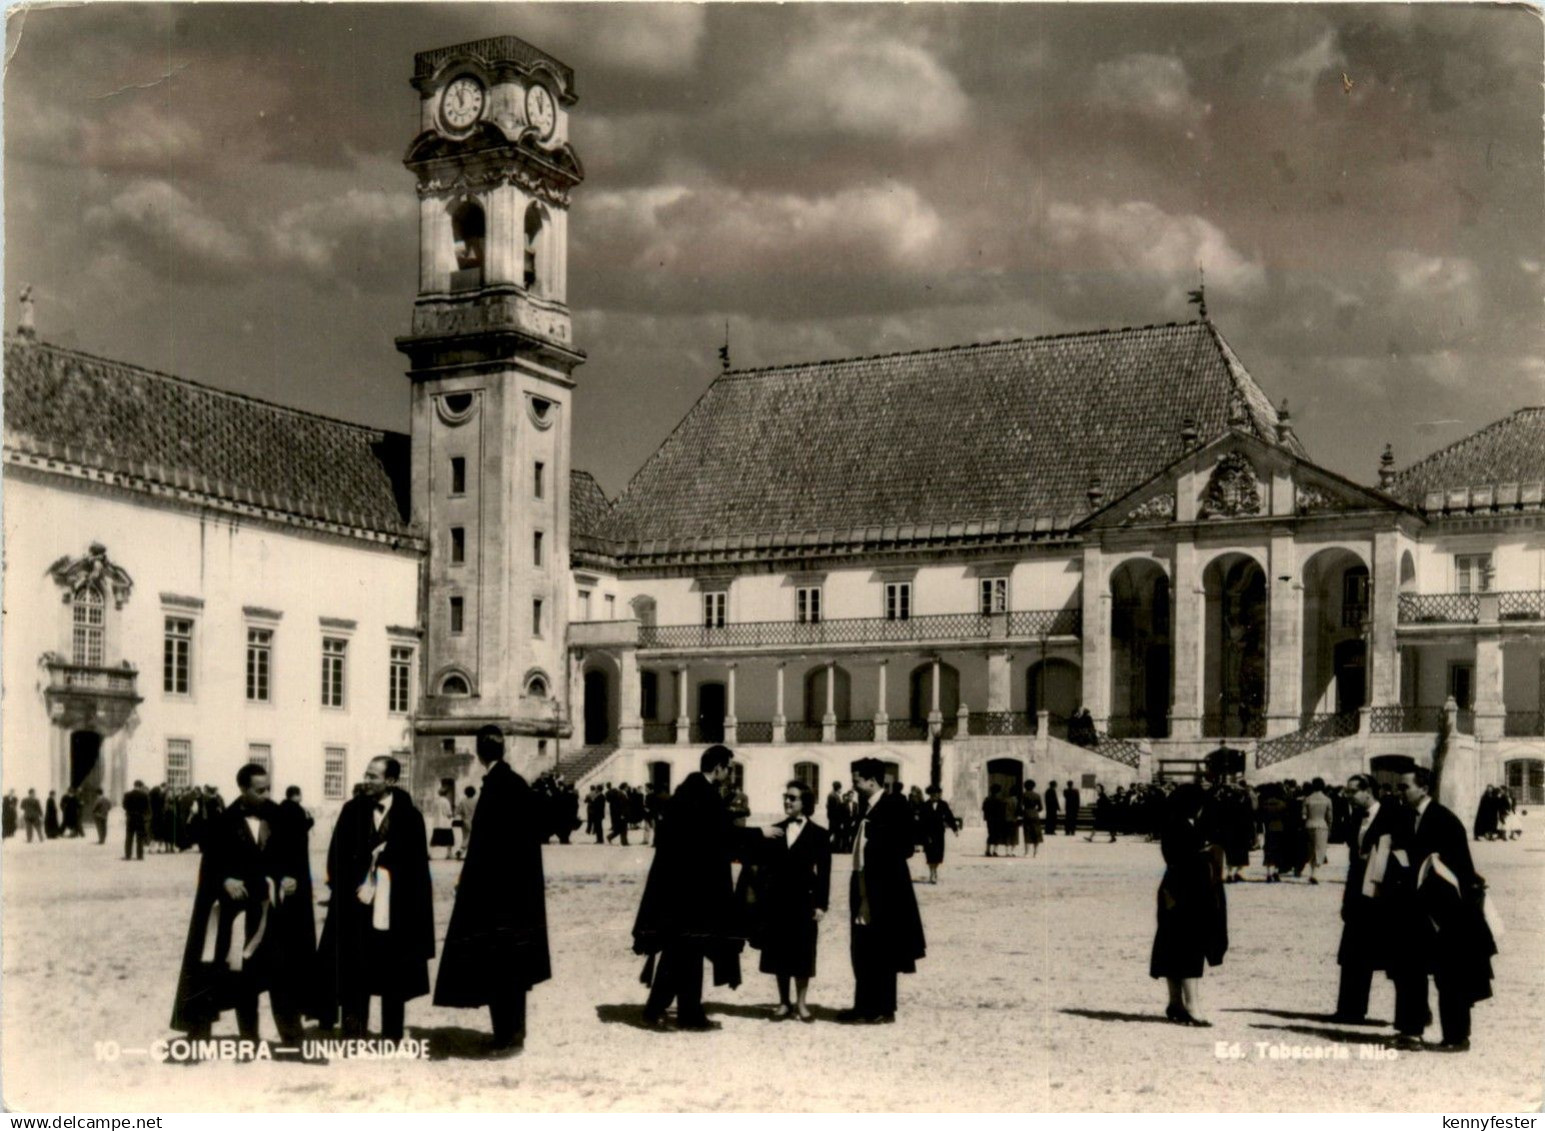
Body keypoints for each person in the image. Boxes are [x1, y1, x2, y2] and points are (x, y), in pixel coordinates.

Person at [170, 764, 313, 1044]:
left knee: (282, 977)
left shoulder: (280, 817)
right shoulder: (223, 822)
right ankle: (249, 1040)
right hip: (240, 917)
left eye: (269, 787)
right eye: (260, 790)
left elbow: (292, 858)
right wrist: (225, 881)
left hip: (273, 914)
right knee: (243, 980)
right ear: (243, 789)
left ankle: (294, 1040)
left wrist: (290, 879)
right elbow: (211, 866)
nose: (267, 794)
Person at [435, 726, 552, 1052]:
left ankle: (507, 1038)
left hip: (496, 895)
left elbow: (484, 847)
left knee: (500, 968)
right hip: (518, 893)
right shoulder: (516, 784)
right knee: (512, 969)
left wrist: (468, 882)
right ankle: (515, 1034)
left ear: (479, 752)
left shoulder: (495, 788)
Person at [314, 755, 435, 1041]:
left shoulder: (410, 817)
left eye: (373, 776)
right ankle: (353, 1033)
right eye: (366, 775)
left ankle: (392, 1035)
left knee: (393, 970)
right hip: (356, 906)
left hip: (395, 910)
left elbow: (418, 868)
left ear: (390, 781)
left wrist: (386, 880)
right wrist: (351, 887)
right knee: (354, 969)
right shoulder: (351, 811)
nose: (366, 781)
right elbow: (336, 857)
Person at [633, 744, 748, 1030]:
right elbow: (723, 834)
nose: (729, 773)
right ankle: (656, 1011)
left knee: (689, 952)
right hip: (691, 892)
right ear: (718, 767)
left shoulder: (690, 791)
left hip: (681, 888)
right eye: (729, 768)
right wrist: (761, 835)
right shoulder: (703, 795)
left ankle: (689, 1013)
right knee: (680, 953)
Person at [1390, 766, 1497, 1052]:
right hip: (1412, 908)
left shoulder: (1444, 820)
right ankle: (1411, 1031)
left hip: (1445, 912)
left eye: (1404, 787)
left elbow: (1460, 868)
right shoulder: (1404, 818)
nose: (1399, 792)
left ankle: (1457, 1036)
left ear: (1423, 788)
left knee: (1450, 975)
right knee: (1410, 970)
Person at [841, 758, 926, 1024]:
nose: (853, 785)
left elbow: (906, 846)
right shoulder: (865, 807)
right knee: (862, 947)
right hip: (863, 882)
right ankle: (863, 1005)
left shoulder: (894, 804)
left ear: (871, 781)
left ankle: (883, 1009)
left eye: (856, 780)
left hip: (886, 887)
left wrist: (878, 844)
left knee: (883, 948)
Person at [751, 781, 832, 1022]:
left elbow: (825, 873)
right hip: (777, 901)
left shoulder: (819, 834)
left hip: (804, 901)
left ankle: (802, 1003)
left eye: (793, 798)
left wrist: (821, 904)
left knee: (803, 951)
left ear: (805, 803)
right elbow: (760, 867)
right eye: (786, 797)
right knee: (778, 951)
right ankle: (783, 1002)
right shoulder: (774, 831)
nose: (787, 801)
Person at [1150, 785, 1228, 1027]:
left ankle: (1176, 1002)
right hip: (1188, 890)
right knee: (1190, 945)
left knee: (1172, 944)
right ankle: (1192, 1006)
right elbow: (1182, 857)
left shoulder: (1175, 822)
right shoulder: (1181, 825)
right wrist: (1207, 852)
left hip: (1176, 888)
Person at [1333, 774, 1406, 1024]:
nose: (1348, 796)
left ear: (1368, 792)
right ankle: (1350, 1010)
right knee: (1353, 954)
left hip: (1384, 895)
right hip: (1358, 895)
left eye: (1352, 791)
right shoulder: (1355, 818)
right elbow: (1354, 861)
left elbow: (1402, 854)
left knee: (1395, 957)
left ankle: (1412, 1013)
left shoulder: (1393, 815)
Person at [918, 784, 959, 882]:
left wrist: (955, 829)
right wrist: (921, 835)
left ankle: (935, 870)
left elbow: (949, 816)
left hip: (939, 833)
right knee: (930, 853)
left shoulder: (943, 804)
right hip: (928, 833)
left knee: (938, 854)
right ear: (930, 794)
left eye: (937, 794)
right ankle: (932, 873)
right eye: (933, 794)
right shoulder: (925, 805)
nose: (936, 796)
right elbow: (921, 821)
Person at [1302, 779, 1334, 884]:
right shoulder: (1327, 800)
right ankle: (1315, 873)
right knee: (1320, 850)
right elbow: (1329, 817)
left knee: (1310, 850)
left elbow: (1303, 815)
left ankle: (1312, 872)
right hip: (1321, 825)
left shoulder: (1307, 799)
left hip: (1309, 825)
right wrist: (1329, 828)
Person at [122, 781, 150, 860]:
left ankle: (128, 855)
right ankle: (139, 855)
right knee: (139, 838)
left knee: (129, 837)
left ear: (134, 785)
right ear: (140, 786)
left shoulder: (127, 794)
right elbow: (146, 807)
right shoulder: (144, 795)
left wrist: (130, 811)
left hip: (130, 818)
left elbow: (124, 806)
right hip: (140, 818)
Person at [429, 786, 456, 860]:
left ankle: (429, 853)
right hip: (445, 824)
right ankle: (449, 854)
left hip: (437, 823)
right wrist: (451, 816)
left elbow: (432, 812)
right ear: (446, 793)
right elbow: (448, 813)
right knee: (449, 840)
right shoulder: (446, 801)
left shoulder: (436, 801)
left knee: (435, 840)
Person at [1021, 779, 1044, 857]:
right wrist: (1035, 810)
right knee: (1036, 833)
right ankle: (1035, 852)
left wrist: (1022, 813)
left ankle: (1027, 852)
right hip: (1035, 814)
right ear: (1033, 787)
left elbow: (1020, 807)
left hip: (1026, 814)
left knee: (1027, 832)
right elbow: (1041, 808)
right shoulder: (1037, 795)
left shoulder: (1023, 795)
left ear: (1025, 786)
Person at [981, 784, 1005, 858]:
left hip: (990, 819)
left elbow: (983, 808)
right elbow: (1002, 810)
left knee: (990, 834)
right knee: (997, 835)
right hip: (997, 819)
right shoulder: (1000, 800)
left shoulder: (987, 799)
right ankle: (995, 851)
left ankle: (987, 850)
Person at [455, 785, 478, 859]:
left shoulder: (462, 801)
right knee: (470, 837)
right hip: (473, 821)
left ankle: (462, 851)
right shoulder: (476, 801)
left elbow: (458, 811)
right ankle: (461, 850)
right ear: (474, 793)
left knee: (465, 837)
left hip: (464, 821)